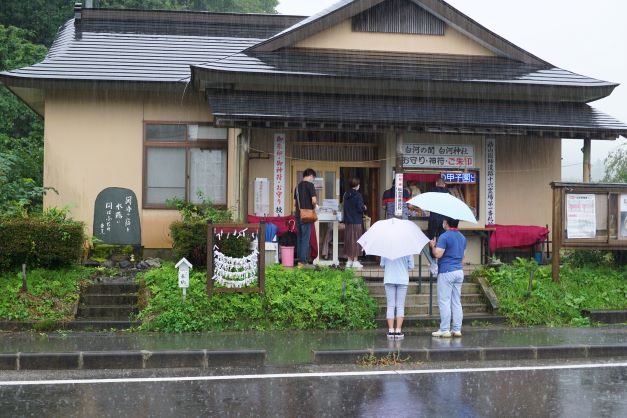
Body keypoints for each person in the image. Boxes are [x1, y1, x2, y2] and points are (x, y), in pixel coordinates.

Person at [429, 217, 467, 338]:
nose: (442, 223)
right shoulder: (462, 237)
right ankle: (456, 329)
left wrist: (432, 246)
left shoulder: (444, 236)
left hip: (446, 271)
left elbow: (438, 254)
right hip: (459, 271)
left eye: (444, 221)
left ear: (446, 223)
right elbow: (463, 257)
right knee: (456, 301)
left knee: (444, 301)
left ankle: (444, 329)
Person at [381, 255, 414, 340]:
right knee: (400, 305)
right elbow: (411, 266)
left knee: (390, 305)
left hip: (389, 278)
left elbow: (382, 265)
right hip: (402, 279)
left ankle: (391, 331)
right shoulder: (408, 249)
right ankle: (398, 330)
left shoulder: (385, 247)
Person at [294, 168, 318, 268]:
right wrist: (315, 206)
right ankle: (303, 261)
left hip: (298, 215)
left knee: (299, 238)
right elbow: (314, 200)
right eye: (313, 177)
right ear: (311, 176)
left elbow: (295, 203)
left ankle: (300, 261)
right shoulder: (310, 185)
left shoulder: (297, 187)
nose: (313, 179)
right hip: (307, 215)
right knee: (305, 238)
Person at [343, 177, 367, 269]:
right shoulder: (358, 195)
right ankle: (355, 261)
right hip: (356, 221)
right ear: (357, 185)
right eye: (359, 184)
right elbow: (360, 208)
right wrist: (364, 207)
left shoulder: (346, 194)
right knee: (357, 241)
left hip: (348, 221)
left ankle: (349, 261)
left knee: (349, 240)